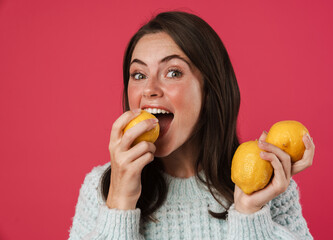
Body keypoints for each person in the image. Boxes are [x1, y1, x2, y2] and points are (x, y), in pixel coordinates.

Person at [69, 11, 315, 240]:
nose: (149, 89)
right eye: (139, 75)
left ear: (209, 89)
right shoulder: (100, 188)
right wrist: (119, 203)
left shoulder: (270, 185)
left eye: (173, 72)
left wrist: (250, 214)